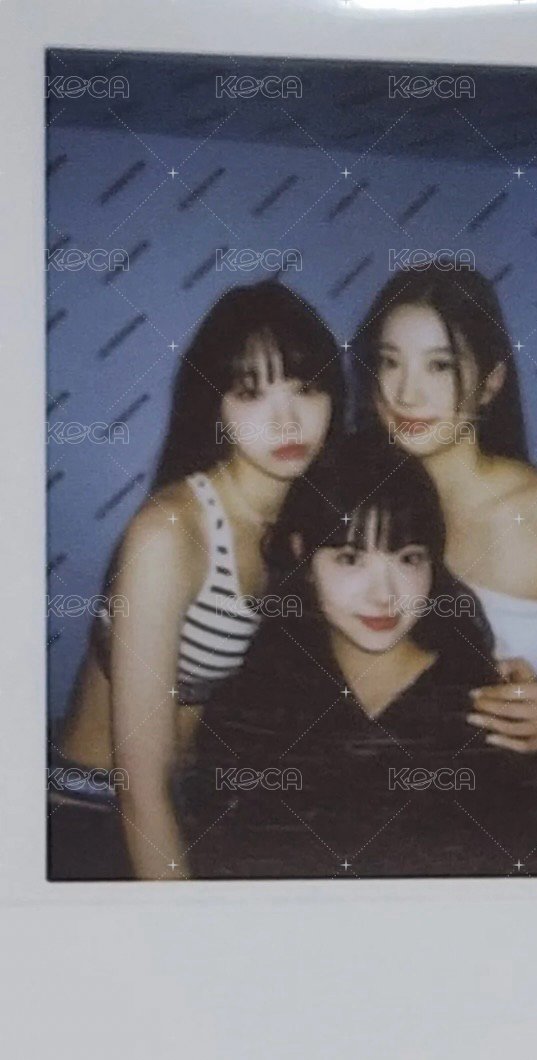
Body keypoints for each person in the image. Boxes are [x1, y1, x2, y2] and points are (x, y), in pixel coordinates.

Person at [189, 434, 537, 879]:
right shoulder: (249, 709)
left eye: (407, 559)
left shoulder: (493, 713)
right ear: (300, 553)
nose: (384, 595)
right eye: (351, 559)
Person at [51, 280, 344, 880]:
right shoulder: (170, 533)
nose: (287, 420)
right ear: (216, 404)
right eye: (252, 393)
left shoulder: (305, 522)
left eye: (305, 388)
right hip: (93, 810)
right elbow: (139, 788)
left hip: (194, 804)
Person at [353, 263, 537, 755]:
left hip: (526, 794)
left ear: (491, 382)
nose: (406, 393)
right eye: (390, 362)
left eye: (440, 366)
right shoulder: (352, 506)